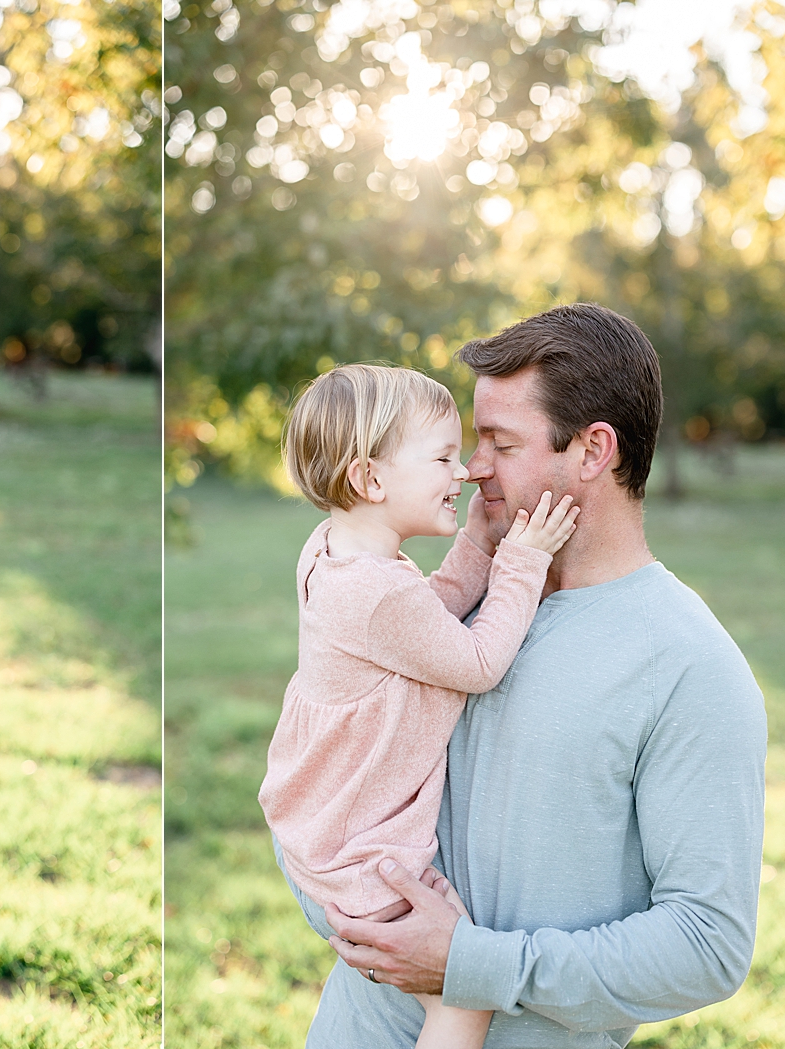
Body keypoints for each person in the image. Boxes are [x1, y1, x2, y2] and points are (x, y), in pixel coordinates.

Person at [309, 304, 768, 1048]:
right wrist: (354, 915)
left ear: (592, 450)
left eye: (501, 441)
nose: (471, 465)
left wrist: (474, 965)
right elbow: (325, 768)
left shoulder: (690, 666)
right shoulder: (450, 604)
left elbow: (707, 945)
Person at [258, 364, 578, 1049]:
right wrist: (522, 560)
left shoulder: (336, 554)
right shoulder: (376, 593)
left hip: (317, 826)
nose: (462, 472)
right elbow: (477, 662)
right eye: (440, 457)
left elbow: (425, 619)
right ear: (371, 480)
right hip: (360, 863)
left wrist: (479, 542)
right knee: (462, 986)